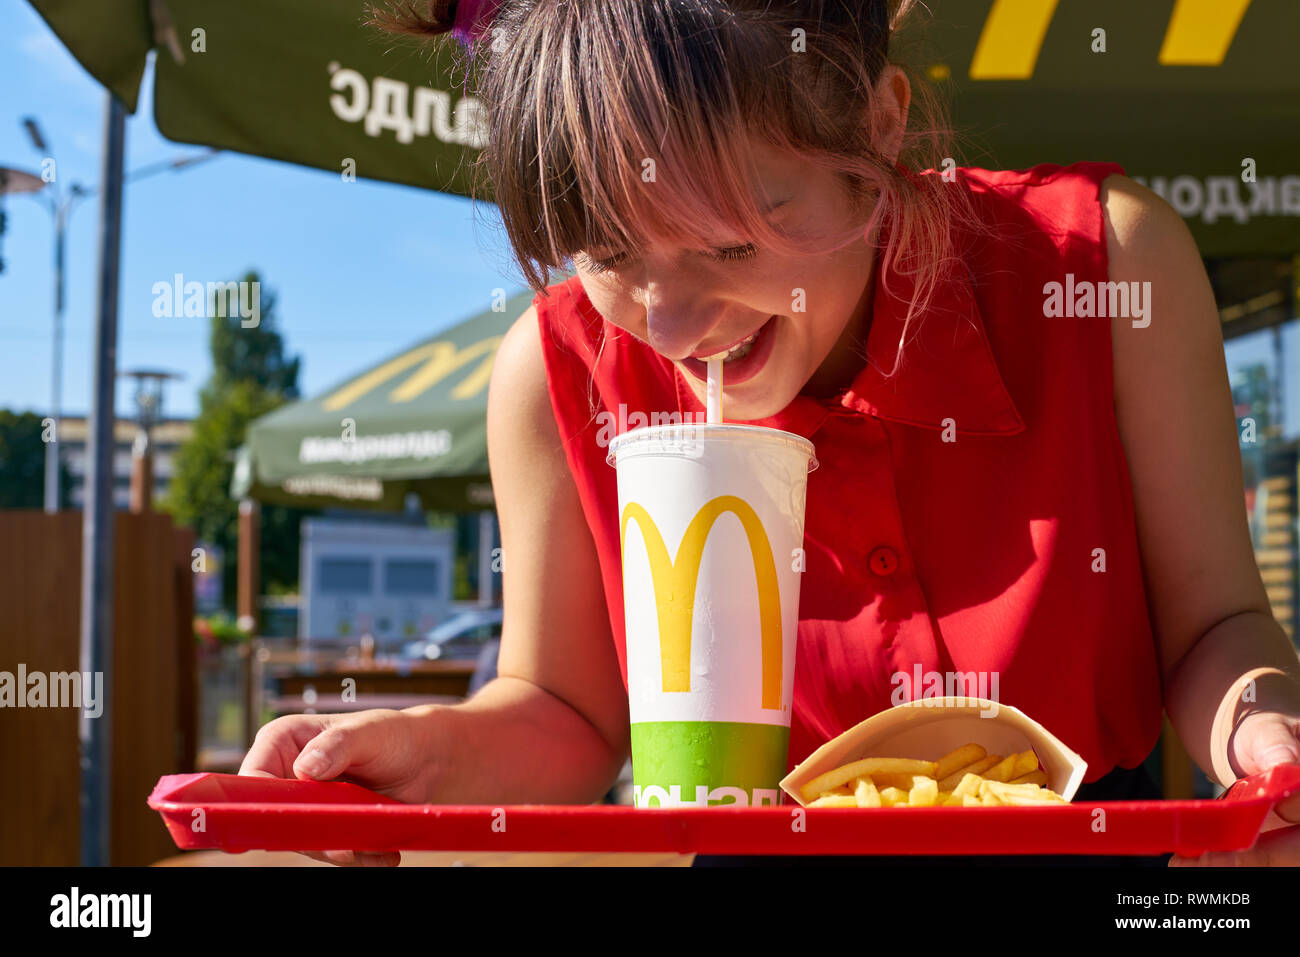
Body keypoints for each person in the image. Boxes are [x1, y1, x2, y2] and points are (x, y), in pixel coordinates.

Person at [240, 0, 1300, 867]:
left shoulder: (1103, 272)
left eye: (734, 242)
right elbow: (567, 715)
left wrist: (1262, 737)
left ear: (880, 127)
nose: (667, 323)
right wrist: (414, 758)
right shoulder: (551, 368)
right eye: (605, 253)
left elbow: (1212, 628)